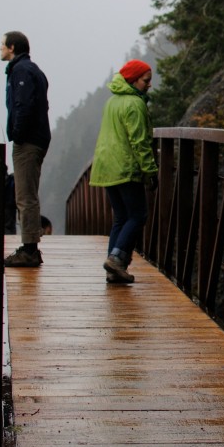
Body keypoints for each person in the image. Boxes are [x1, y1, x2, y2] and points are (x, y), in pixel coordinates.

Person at [89, 59, 158, 284]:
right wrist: (150, 171)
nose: (149, 85)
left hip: (107, 167)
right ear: (133, 80)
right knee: (138, 215)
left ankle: (113, 269)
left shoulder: (112, 102)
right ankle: (117, 260)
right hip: (126, 167)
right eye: (146, 80)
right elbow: (139, 141)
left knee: (121, 218)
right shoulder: (134, 104)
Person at [0, 31, 51, 267]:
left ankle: (30, 250)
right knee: (26, 193)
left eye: (2, 45)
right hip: (36, 138)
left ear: (12, 47)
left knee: (25, 196)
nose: (0, 49)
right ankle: (30, 246)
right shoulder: (33, 70)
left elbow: (23, 105)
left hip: (28, 141)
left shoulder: (21, 71)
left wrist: (17, 135)